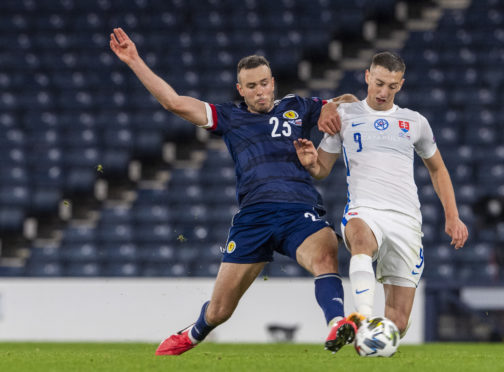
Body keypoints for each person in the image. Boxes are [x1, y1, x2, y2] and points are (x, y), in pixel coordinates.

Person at [109, 27, 359, 355]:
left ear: (273, 82)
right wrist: (134, 61)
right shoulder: (229, 117)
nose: (260, 91)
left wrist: (334, 105)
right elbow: (174, 103)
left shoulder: (298, 107)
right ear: (240, 90)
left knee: (326, 252)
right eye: (251, 86)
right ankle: (194, 333)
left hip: (298, 209)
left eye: (264, 83)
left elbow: (351, 103)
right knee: (220, 310)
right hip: (253, 218)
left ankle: (337, 323)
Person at [294, 51, 469, 350]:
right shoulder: (344, 116)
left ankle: (371, 338)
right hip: (365, 210)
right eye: (378, 83)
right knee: (360, 239)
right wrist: (310, 162)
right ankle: (360, 318)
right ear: (367, 77)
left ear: (400, 85)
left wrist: (452, 216)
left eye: (391, 86)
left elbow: (438, 169)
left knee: (396, 325)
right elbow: (321, 169)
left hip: (406, 220)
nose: (383, 92)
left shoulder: (415, 122)